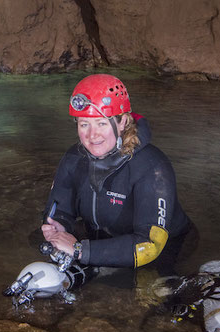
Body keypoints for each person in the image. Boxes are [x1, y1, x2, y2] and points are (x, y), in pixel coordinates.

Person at [41, 74, 194, 289]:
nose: (92, 135)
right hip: (99, 242)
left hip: (162, 250)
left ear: (122, 122)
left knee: (148, 303)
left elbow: (149, 245)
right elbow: (59, 208)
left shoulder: (152, 166)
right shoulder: (74, 158)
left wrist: (80, 250)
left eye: (102, 123)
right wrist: (58, 225)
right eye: (84, 124)